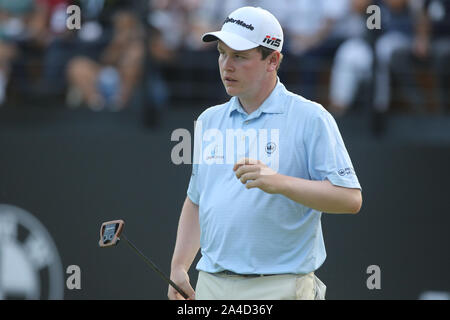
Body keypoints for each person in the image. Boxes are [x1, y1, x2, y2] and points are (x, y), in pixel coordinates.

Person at [168, 6, 362, 300]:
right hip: (210, 283)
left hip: (281, 286)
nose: (226, 65)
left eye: (240, 56)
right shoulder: (209, 120)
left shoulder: (311, 118)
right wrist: (180, 265)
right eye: (222, 53)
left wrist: (278, 182)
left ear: (273, 60)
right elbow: (196, 200)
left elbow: (349, 199)